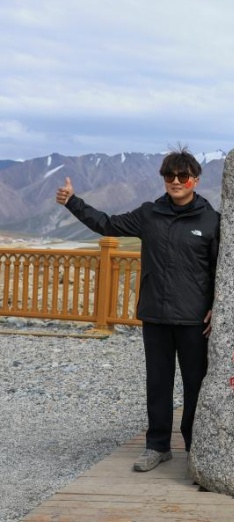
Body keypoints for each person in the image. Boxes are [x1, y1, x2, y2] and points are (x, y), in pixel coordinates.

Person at [55, 148, 220, 472]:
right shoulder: (149, 215)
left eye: (182, 176)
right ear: (164, 179)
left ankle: (195, 448)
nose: (175, 181)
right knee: (157, 382)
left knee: (195, 385)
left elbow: (221, 270)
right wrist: (73, 201)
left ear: (195, 180)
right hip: (155, 315)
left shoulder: (211, 220)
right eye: (169, 176)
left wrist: (218, 307)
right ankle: (157, 446)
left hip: (193, 319)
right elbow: (107, 224)